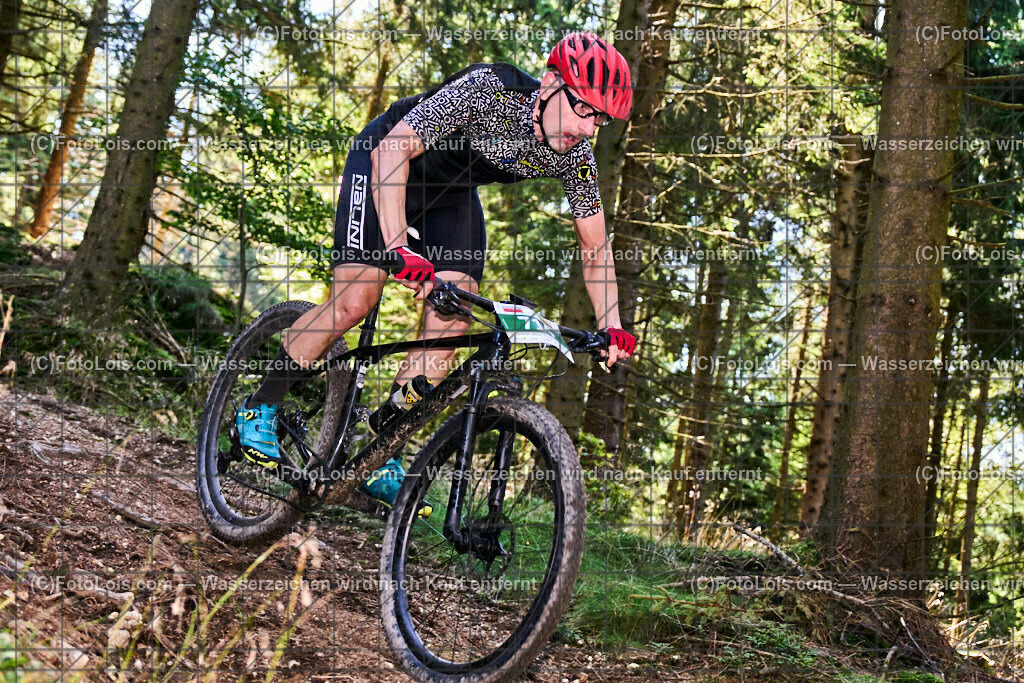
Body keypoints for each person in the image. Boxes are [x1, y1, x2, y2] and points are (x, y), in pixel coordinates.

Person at [235, 32, 638, 509]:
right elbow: (393, 151)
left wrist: (611, 324)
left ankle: (381, 449)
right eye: (583, 109)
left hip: (451, 194)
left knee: (453, 317)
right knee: (355, 302)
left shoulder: (575, 156)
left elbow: (594, 245)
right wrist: (398, 246)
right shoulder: (491, 89)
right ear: (550, 83)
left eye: (601, 119)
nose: (589, 128)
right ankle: (259, 403)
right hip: (384, 160)